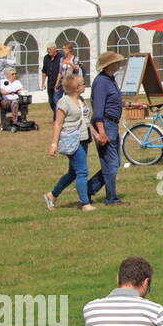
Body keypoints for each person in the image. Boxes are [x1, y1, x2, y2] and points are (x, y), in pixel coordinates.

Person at [45, 73, 95, 212]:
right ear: (76, 88)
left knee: (73, 172)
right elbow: (58, 123)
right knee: (82, 171)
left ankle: (52, 195)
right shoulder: (64, 102)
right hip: (71, 139)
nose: (85, 85)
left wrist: (96, 135)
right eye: (83, 84)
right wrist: (54, 144)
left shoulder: (81, 100)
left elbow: (86, 120)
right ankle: (85, 203)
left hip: (83, 138)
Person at [86, 51, 128, 207]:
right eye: (117, 62)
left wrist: (130, 105)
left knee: (113, 163)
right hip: (104, 124)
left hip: (112, 124)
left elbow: (114, 102)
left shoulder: (110, 80)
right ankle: (110, 198)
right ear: (110, 65)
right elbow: (98, 110)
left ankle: (88, 189)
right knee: (111, 163)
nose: (119, 64)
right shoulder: (101, 82)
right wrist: (101, 132)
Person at [41, 45, 61, 119]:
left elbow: (61, 71)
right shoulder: (46, 58)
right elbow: (44, 71)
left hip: (59, 83)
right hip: (50, 83)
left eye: (50, 49)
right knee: (51, 101)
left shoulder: (61, 57)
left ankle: (56, 118)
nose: (48, 51)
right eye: (47, 49)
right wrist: (43, 83)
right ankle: (57, 114)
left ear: (55, 49)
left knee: (56, 100)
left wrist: (58, 83)